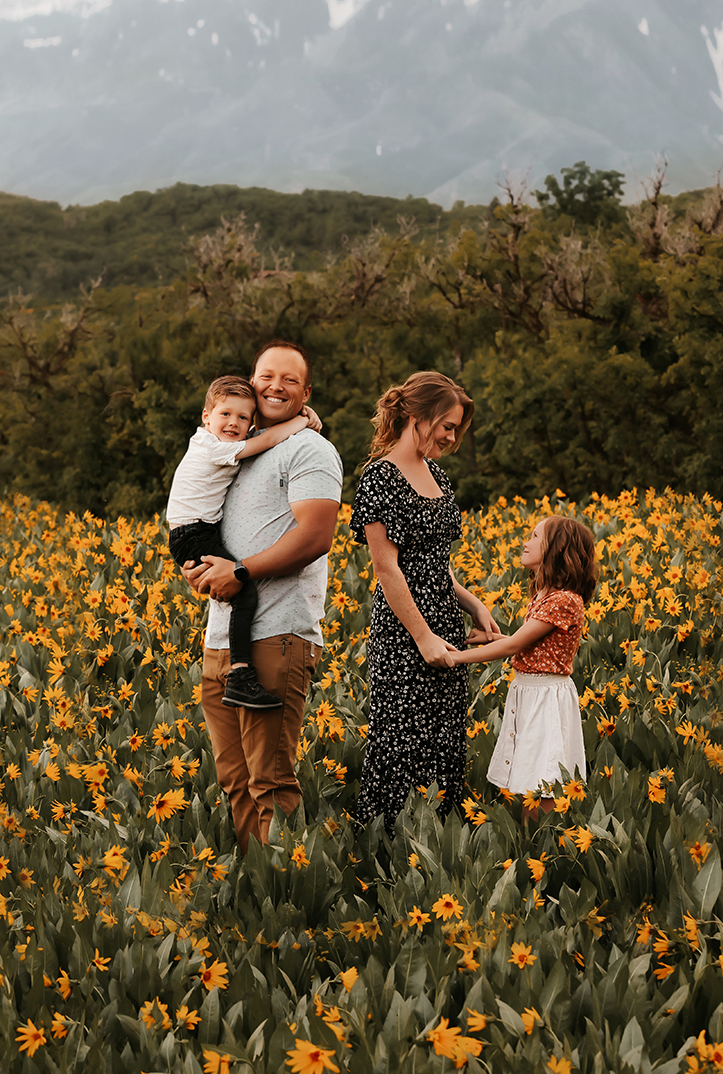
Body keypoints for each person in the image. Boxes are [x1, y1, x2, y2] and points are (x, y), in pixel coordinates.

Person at [181, 341, 343, 852]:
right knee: (235, 783)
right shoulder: (238, 442)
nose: (275, 386)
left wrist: (242, 572)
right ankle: (255, 903)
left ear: (306, 392)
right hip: (223, 636)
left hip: (276, 633)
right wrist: (202, 569)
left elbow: (315, 536)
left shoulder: (310, 449)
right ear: (250, 382)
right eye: (266, 377)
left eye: (289, 380)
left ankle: (289, 902)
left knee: (270, 784)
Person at [350, 372, 501, 836]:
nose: (452, 437)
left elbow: (436, 561)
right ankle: (381, 857)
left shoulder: (436, 474)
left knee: (444, 743)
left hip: (443, 624)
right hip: (404, 632)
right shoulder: (379, 477)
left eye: (456, 429)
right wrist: (423, 636)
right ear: (416, 417)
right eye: (447, 425)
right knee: (400, 746)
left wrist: (472, 603)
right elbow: (387, 568)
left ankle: (439, 858)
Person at [166, 374, 319, 712]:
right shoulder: (211, 445)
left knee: (236, 590)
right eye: (225, 414)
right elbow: (263, 442)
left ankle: (237, 672)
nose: (233, 423)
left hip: (195, 532)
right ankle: (240, 674)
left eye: (242, 417)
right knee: (244, 591)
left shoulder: (220, 441)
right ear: (206, 417)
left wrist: (300, 415)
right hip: (194, 532)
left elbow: (260, 436)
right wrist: (302, 419)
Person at [446, 514, 597, 823]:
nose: (525, 542)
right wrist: (491, 638)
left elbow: (514, 646)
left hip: (545, 698)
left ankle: (543, 845)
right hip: (530, 690)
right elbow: (531, 644)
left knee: (544, 777)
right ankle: (532, 844)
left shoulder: (565, 600)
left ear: (557, 549)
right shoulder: (545, 594)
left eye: (534, 537)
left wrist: (456, 656)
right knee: (531, 773)